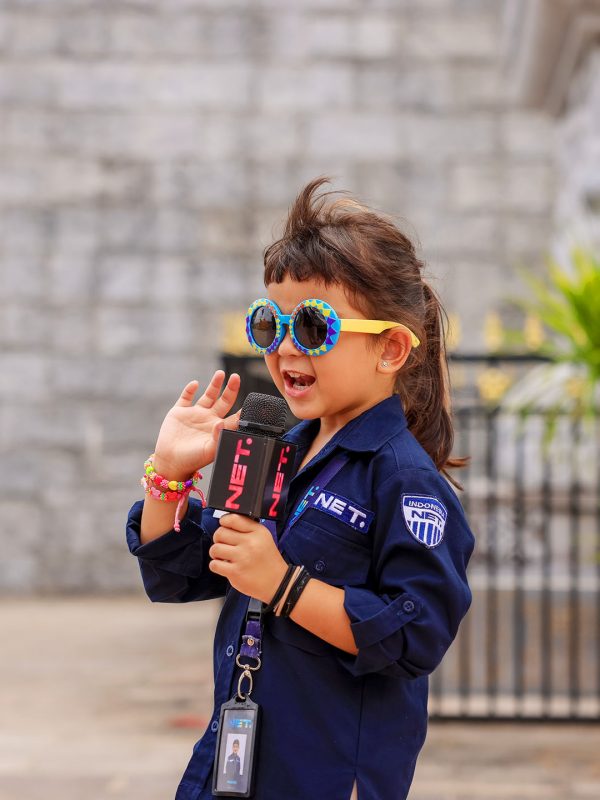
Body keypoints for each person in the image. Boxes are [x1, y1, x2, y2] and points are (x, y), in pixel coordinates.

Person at [126, 177, 475, 800]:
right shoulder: (273, 446)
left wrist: (282, 584)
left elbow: (412, 635)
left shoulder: (405, 481)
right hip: (237, 760)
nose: (286, 346)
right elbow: (182, 570)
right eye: (271, 323)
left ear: (390, 348)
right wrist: (169, 474)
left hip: (328, 772)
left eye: (313, 327)